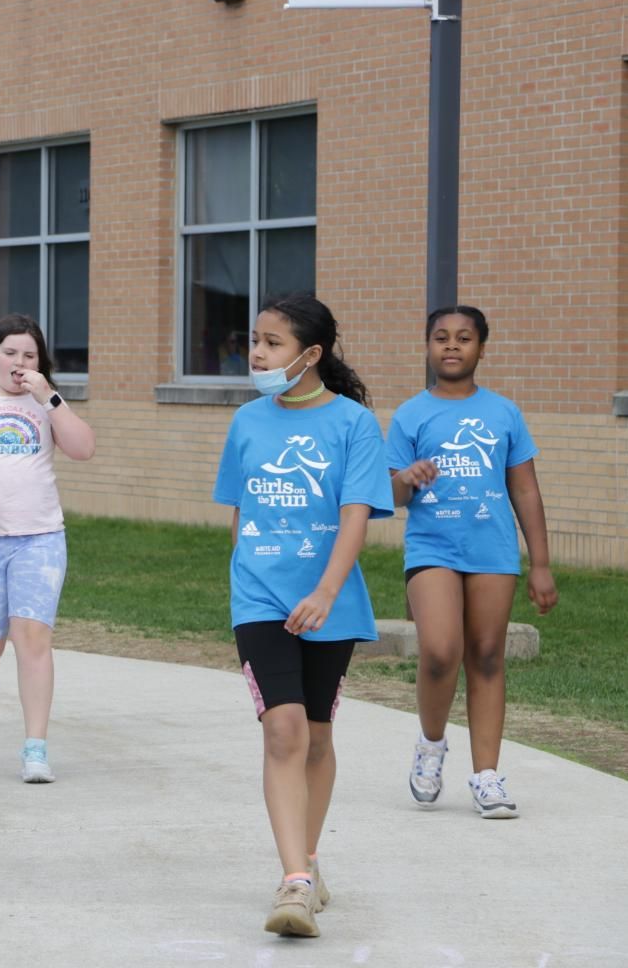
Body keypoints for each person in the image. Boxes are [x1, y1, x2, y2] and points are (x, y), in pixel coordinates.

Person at [211, 293, 393, 938]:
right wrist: (253, 578)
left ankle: (309, 861)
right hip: (259, 599)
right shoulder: (248, 422)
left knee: (316, 735)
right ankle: (293, 881)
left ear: (310, 354)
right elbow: (239, 513)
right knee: (282, 730)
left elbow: (356, 516)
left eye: (271, 343)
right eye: (255, 340)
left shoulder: (353, 425)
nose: (256, 353)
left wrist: (323, 591)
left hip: (330, 603)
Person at [387, 305, 558, 819]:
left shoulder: (504, 413)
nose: (452, 346)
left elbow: (525, 490)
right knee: (440, 651)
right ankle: (431, 746)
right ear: (427, 347)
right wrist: (407, 477)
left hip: (492, 551)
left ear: (482, 348)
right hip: (432, 549)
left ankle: (487, 776)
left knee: (485, 655)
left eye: (464, 338)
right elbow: (387, 493)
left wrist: (541, 564)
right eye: (441, 337)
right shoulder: (410, 415)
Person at [0, 314, 97, 783]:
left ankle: (35, 747)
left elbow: (84, 450)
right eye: (10, 352)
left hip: (41, 538)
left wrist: (49, 398)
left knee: (32, 638)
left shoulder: (45, 404)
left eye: (29, 355)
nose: (19, 362)